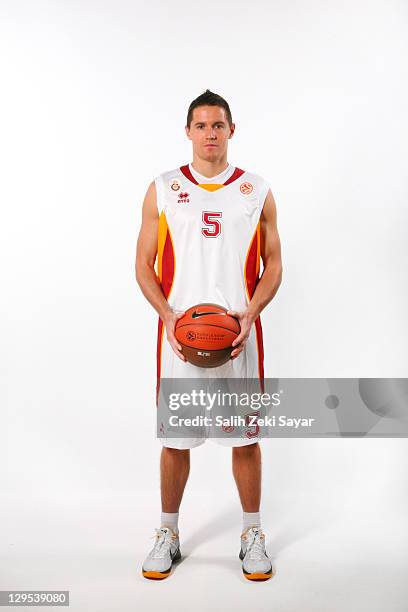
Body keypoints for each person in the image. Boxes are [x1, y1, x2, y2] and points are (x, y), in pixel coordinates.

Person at [135, 89, 282, 581]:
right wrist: (168, 317)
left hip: (239, 336)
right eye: (201, 126)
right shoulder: (164, 187)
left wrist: (250, 312)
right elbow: (142, 265)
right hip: (180, 337)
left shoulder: (257, 190)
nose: (210, 134)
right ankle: (168, 533)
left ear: (232, 130)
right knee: (175, 440)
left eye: (218, 125)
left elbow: (275, 265)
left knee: (245, 438)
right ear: (188, 131)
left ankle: (252, 533)